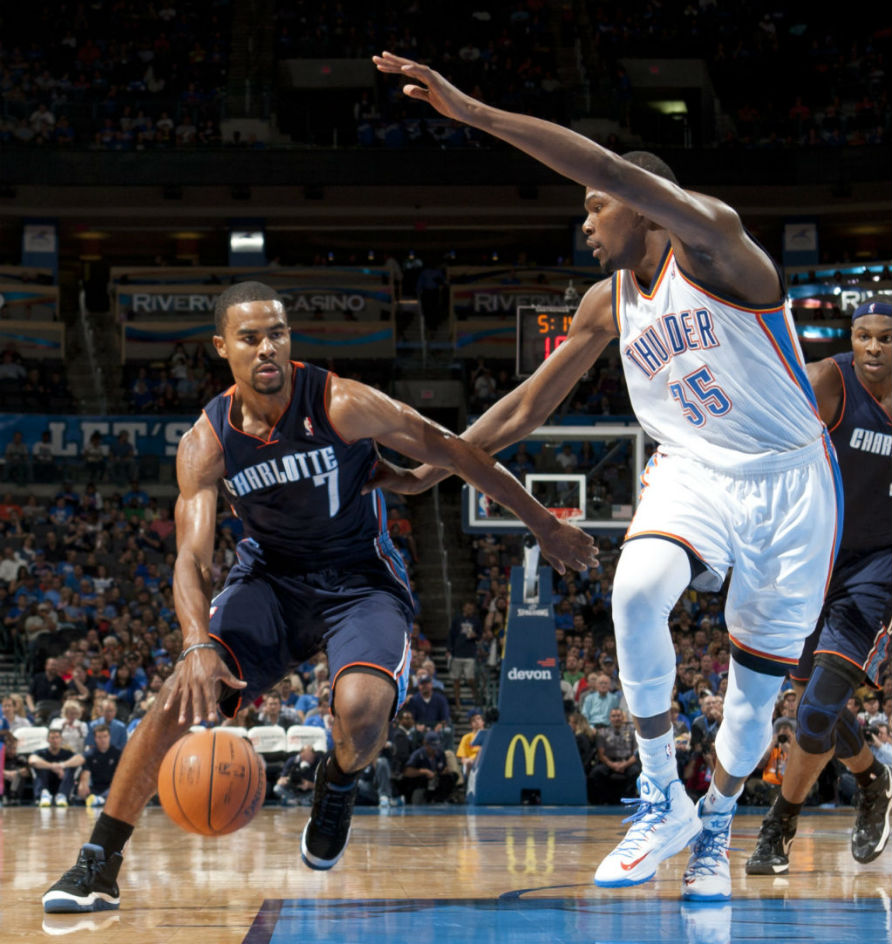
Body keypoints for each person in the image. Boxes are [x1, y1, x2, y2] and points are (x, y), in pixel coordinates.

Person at [371, 51, 841, 900]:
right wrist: (432, 468)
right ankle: (662, 797)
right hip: (695, 468)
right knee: (634, 590)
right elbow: (523, 408)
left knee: (749, 706)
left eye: (595, 205)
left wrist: (473, 112)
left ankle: (717, 827)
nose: (585, 221)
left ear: (644, 205)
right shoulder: (605, 301)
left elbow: (604, 162)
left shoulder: (720, 248)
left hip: (789, 483)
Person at [43, 280, 596, 914]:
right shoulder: (208, 441)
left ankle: (337, 786)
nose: (267, 349)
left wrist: (541, 521)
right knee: (178, 696)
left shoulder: (342, 403)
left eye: (277, 333)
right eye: (250, 338)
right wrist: (197, 643)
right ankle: (98, 863)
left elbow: (452, 450)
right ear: (222, 347)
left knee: (362, 710)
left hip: (360, 580)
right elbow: (191, 558)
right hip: (271, 582)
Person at [746, 299, 892, 875]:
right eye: (865, 336)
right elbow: (761, 430)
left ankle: (779, 827)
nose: (875, 348)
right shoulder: (827, 382)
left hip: (876, 567)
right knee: (815, 708)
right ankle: (874, 780)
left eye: (886, 337)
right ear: (850, 339)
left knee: (814, 712)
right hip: (810, 558)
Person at [29, 728, 83, 807]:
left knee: (71, 768)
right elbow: (32, 761)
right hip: (46, 781)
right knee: (40, 766)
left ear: (61, 739)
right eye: (52, 738)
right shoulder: (41, 752)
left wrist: (62, 765)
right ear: (48, 740)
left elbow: (80, 759)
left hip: (62, 782)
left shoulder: (67, 753)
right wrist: (52, 766)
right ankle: (44, 795)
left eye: (57, 737)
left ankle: (62, 795)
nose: (55, 740)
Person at [446, 601, 482, 714]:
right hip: (457, 653)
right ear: (463, 608)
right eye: (467, 607)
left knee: (470, 679)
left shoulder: (476, 621)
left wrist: (475, 636)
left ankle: (475, 696)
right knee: (456, 680)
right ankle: (457, 702)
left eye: (471, 608)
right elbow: (451, 634)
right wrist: (449, 650)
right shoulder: (457, 619)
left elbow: (480, 636)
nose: (469, 610)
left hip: (470, 653)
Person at [76, 723, 122, 808]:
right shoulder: (90, 754)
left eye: (105, 736)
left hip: (112, 787)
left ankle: (101, 799)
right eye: (99, 737)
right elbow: (86, 771)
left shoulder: (118, 753)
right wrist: (83, 784)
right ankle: (100, 799)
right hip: (96, 787)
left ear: (109, 737)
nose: (103, 740)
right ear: (95, 738)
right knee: (80, 794)